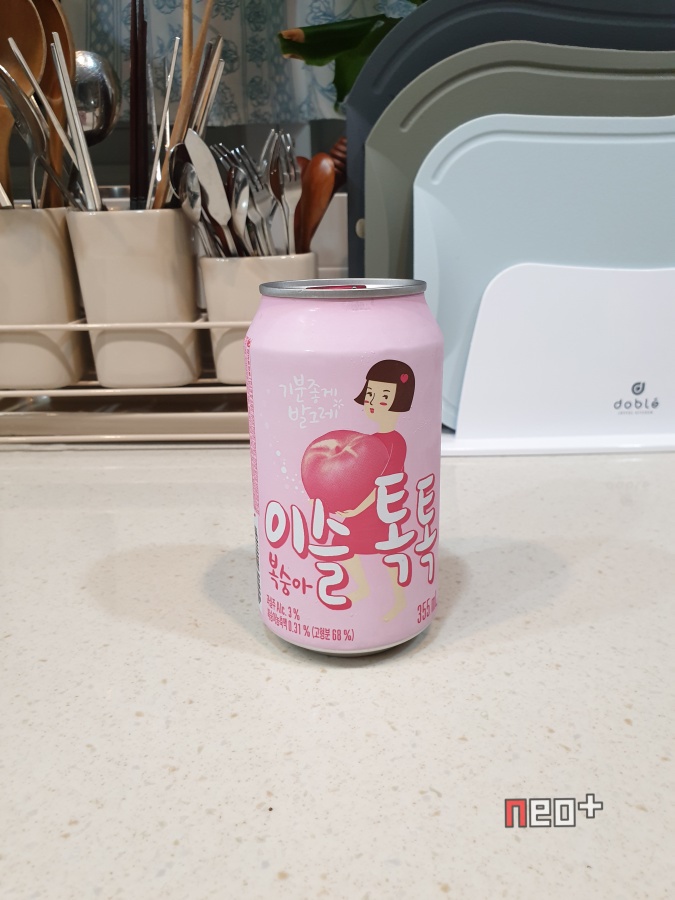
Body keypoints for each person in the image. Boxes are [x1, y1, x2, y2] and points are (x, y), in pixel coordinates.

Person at [336, 359, 415, 620]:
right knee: (344, 542)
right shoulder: (372, 440)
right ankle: (363, 587)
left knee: (388, 552)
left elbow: (383, 482)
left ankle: (399, 599)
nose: (372, 401)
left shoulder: (394, 442)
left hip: (382, 507)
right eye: (370, 393)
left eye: (384, 395)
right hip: (369, 504)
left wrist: (356, 509)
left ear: (399, 399)